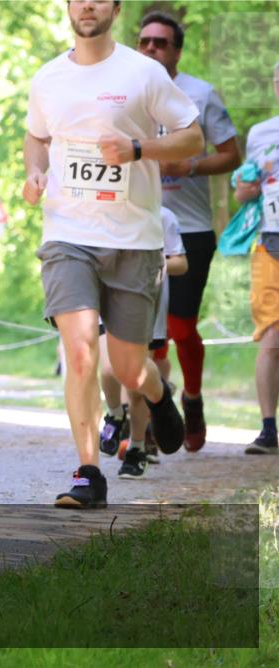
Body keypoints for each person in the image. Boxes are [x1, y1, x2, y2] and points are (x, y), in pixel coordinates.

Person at [22, 0, 204, 509]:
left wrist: (139, 149)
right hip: (67, 234)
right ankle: (87, 472)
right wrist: (35, 172)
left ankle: (157, 392)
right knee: (79, 350)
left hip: (133, 240)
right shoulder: (48, 78)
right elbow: (37, 136)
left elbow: (193, 136)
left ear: (115, 8)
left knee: (128, 368)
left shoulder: (142, 73)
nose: (87, 5)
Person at [138, 12, 242, 452]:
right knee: (143, 332)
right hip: (137, 224)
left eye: (161, 43)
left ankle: (192, 398)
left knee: (179, 327)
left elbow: (232, 155)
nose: (151, 50)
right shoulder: (125, 92)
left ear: (177, 50)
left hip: (192, 228)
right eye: (144, 42)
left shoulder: (200, 94)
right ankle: (150, 420)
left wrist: (190, 165)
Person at [98, 206, 188, 477]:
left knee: (136, 382)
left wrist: (152, 260)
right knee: (108, 368)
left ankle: (137, 447)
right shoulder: (102, 207)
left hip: (148, 298)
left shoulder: (163, 216)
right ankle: (114, 413)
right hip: (110, 292)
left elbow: (181, 263)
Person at [234, 63, 279, 455]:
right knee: (270, 338)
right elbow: (245, 192)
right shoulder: (261, 133)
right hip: (269, 243)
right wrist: (245, 188)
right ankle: (268, 428)